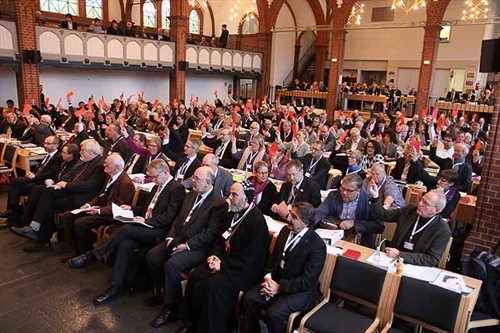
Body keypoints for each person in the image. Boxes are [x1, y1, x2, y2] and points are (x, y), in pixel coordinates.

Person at [67, 160, 186, 304]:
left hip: (158, 231)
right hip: (145, 227)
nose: (153, 180)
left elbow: (169, 217)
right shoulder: (157, 186)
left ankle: (94, 254)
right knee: (124, 244)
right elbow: (146, 209)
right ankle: (115, 287)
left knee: (126, 229)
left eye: (154, 177)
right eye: (152, 177)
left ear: (165, 172)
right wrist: (131, 209)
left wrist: (145, 221)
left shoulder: (176, 188)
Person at [178, 181, 269, 333]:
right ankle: (190, 323)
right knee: (197, 275)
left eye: (234, 194)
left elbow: (252, 258)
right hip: (223, 261)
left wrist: (223, 266)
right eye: (229, 194)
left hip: (241, 271)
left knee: (213, 286)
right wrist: (213, 256)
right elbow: (219, 241)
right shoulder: (230, 214)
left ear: (246, 198)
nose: (229, 198)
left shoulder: (256, 221)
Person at [146, 167, 228, 328]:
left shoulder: (218, 203)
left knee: (172, 265)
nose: (193, 180)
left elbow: (210, 233)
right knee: (153, 256)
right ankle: (163, 292)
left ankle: (171, 307)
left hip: (198, 247)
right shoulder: (190, 194)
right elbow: (178, 219)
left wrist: (187, 246)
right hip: (179, 238)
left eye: (197, 178)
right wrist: (170, 236)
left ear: (208, 182)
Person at [241, 202, 326, 333]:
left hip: (298, 290)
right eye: (290, 214)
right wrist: (268, 278)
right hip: (275, 280)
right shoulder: (285, 231)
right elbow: (272, 258)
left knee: (274, 314)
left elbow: (306, 281)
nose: (288, 218)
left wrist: (279, 288)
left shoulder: (317, 246)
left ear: (306, 223)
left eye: (294, 217)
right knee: (249, 299)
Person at [11, 139, 106, 252]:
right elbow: (74, 177)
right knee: (48, 191)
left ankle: (41, 237)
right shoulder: (87, 161)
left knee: (50, 204)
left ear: (92, 152)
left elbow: (87, 186)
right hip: (73, 191)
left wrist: (65, 185)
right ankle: (37, 229)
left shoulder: (99, 165)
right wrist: (60, 185)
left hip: (82, 198)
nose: (80, 152)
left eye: (83, 150)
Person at [61, 154, 135, 257]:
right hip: (99, 208)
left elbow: (119, 207)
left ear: (117, 167)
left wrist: (99, 211)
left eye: (107, 164)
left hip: (109, 214)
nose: (104, 165)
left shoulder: (125, 183)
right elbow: (100, 194)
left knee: (80, 223)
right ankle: (73, 248)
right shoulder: (110, 176)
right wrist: (89, 204)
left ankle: (84, 252)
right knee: (68, 215)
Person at [369, 183, 451, 267]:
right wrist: (375, 197)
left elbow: (431, 259)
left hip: (417, 268)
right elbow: (383, 215)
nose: (420, 204)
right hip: (391, 262)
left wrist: (399, 254)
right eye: (421, 199)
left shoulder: (442, 230)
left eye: (426, 203)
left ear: (437, 210)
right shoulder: (410, 210)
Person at [0, 136, 62, 224]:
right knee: (15, 181)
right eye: (45, 143)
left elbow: (52, 173)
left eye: (48, 144)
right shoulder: (47, 154)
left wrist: (35, 176)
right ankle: (12, 210)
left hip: (43, 181)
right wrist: (31, 173)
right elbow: (41, 168)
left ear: (56, 145)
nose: (45, 145)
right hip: (36, 177)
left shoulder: (58, 157)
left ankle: (15, 213)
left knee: (21, 187)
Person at [316, 174, 383, 247]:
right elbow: (319, 212)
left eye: (349, 190)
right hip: (334, 235)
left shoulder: (369, 201)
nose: (344, 193)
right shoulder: (334, 195)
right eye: (343, 188)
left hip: (359, 241)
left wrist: (355, 223)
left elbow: (378, 226)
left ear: (358, 190)